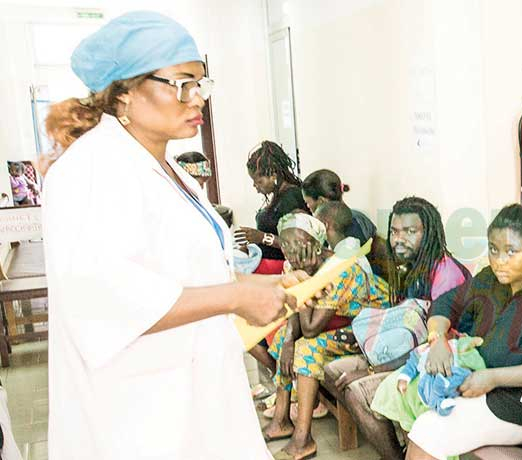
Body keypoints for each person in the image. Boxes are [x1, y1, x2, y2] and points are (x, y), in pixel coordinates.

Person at [42, 11, 301, 459]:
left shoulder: (167, 169)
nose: (197, 97)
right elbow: (107, 299)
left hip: (192, 392)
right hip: (138, 415)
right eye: (182, 83)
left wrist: (263, 285)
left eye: (202, 82)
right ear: (123, 94)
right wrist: (235, 299)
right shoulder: (90, 171)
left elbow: (183, 272)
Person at [404, 203, 522, 459]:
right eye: (493, 250)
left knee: (429, 430)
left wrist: (493, 377)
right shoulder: (490, 279)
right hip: (484, 387)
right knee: (404, 398)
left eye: (511, 251)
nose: (500, 261)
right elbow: (447, 304)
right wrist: (438, 341)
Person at [327, 196, 472, 460]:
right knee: (333, 371)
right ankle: (397, 450)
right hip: (410, 353)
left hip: (442, 365)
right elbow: (405, 322)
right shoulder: (414, 267)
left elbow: (432, 348)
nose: (398, 239)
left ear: (428, 233)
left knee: (355, 388)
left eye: (410, 231)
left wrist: (369, 370)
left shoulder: (445, 275)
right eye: (394, 231)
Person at [263, 211, 390, 459]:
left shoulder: (338, 268)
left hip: (372, 328)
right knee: (283, 340)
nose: (290, 251)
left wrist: (308, 280)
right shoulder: (295, 264)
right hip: (338, 320)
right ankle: (281, 419)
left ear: (315, 242)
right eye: (285, 243)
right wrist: (288, 339)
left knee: (307, 347)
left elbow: (310, 328)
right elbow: (294, 309)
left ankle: (303, 439)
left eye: (298, 243)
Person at [239, 140, 308, 274]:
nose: (255, 186)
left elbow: (299, 244)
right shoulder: (279, 195)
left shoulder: (291, 197)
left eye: (258, 181)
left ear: (273, 175)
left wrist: (262, 238)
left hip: (281, 267)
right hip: (267, 262)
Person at [302, 168, 377, 243]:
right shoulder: (359, 217)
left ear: (321, 201)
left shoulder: (335, 228)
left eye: (307, 202)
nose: (308, 206)